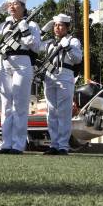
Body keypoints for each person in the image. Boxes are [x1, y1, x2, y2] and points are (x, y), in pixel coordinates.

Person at [0, 0, 41, 154]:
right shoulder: (7, 23)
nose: (12, 7)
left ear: (23, 7)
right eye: (10, 4)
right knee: (5, 106)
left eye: (15, 4)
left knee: (19, 105)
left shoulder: (31, 24)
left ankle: (17, 144)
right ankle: (6, 143)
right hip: (4, 63)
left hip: (22, 63)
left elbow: (35, 46)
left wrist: (24, 30)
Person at [39, 14, 82, 155]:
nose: (57, 28)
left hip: (65, 75)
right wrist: (42, 31)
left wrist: (68, 47)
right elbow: (34, 45)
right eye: (55, 25)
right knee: (51, 112)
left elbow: (77, 58)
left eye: (60, 25)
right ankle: (54, 144)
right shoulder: (50, 42)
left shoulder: (73, 41)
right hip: (50, 76)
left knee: (63, 112)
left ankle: (63, 146)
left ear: (67, 27)